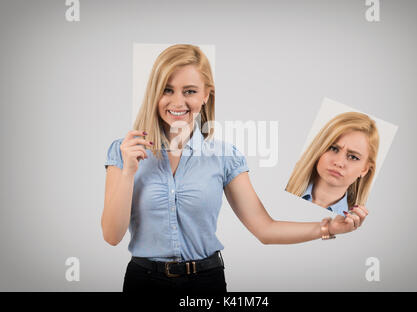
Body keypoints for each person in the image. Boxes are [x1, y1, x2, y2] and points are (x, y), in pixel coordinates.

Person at [102, 44, 369, 293]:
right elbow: (112, 237)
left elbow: (265, 229)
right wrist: (128, 172)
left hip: (205, 283)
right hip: (143, 283)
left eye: (190, 91)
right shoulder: (123, 151)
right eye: (167, 89)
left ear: (206, 95)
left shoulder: (224, 156)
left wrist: (329, 229)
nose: (177, 102)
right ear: (154, 92)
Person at [285, 112, 379, 216]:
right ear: (319, 148)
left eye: (353, 157)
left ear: (365, 169)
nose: (339, 163)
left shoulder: (352, 226)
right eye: (333, 148)